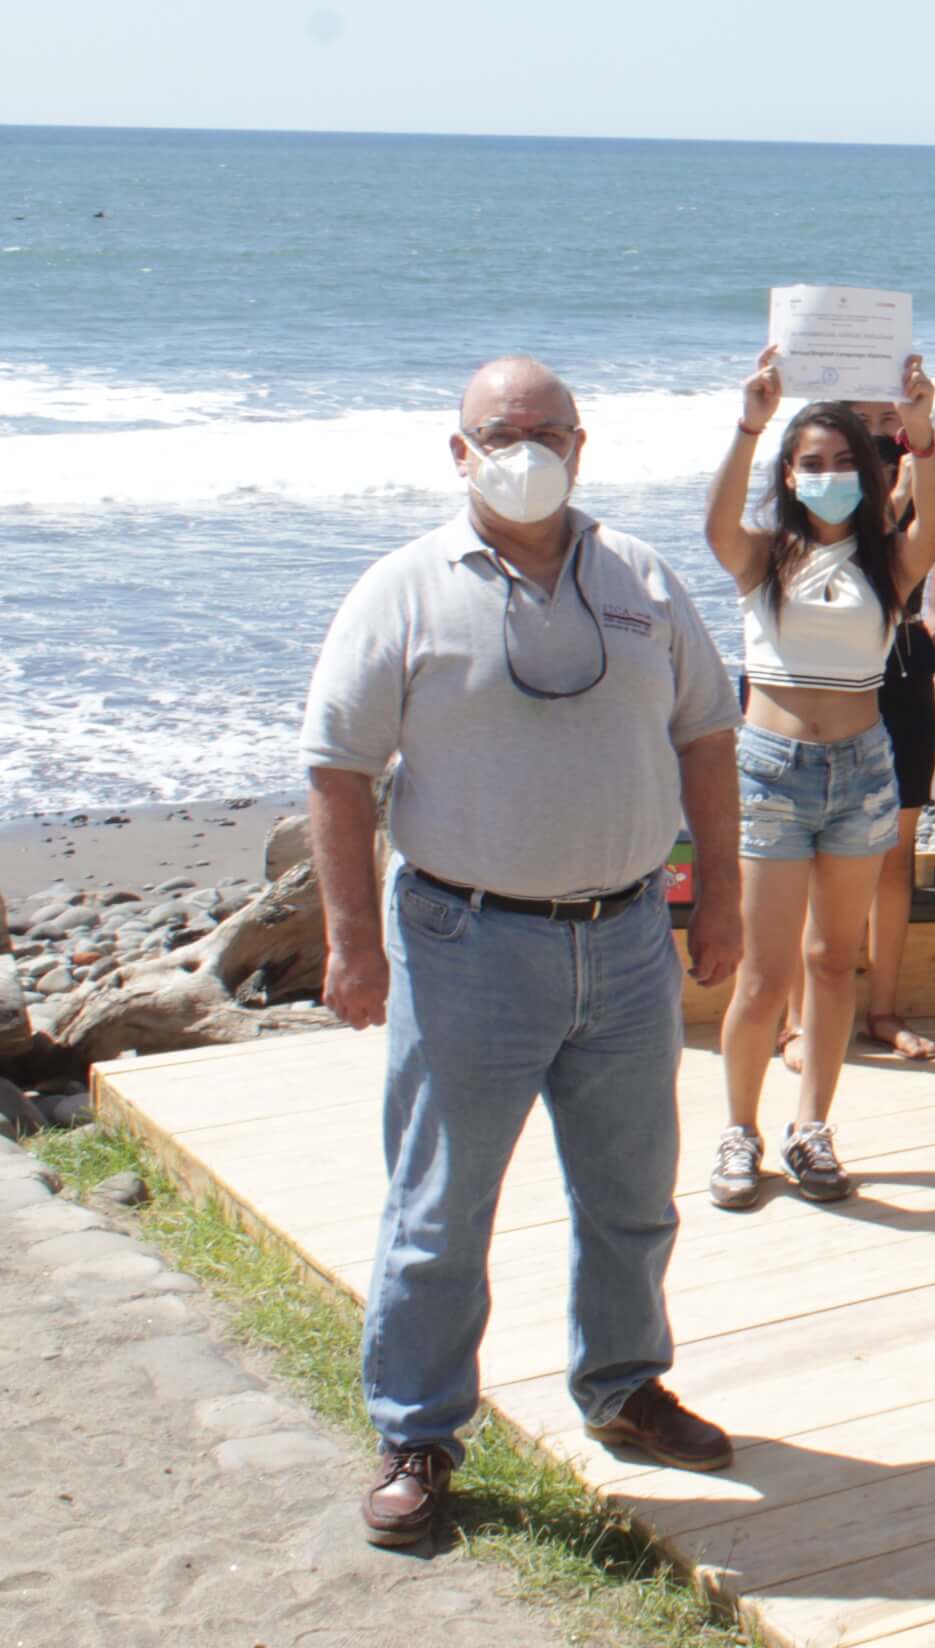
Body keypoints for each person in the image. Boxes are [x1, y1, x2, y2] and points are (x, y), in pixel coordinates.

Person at [302, 357, 746, 1550]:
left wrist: (722, 900)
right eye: (502, 431)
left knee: (631, 1195)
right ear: (459, 452)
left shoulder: (641, 577)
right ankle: (418, 1432)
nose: (527, 446)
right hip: (466, 944)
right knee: (441, 1207)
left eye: (548, 429)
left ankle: (624, 1384)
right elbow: (338, 770)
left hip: (626, 936)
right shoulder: (403, 589)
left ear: (583, 444)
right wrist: (352, 941)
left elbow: (707, 735)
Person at [702, 349, 935, 1207]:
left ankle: (813, 1128)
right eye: (813, 463)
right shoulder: (763, 556)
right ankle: (740, 1131)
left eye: (846, 461)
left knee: (832, 962)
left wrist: (920, 430)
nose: (830, 475)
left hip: (862, 767)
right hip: (771, 770)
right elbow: (718, 521)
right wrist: (750, 424)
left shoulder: (890, 565)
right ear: (790, 474)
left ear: (872, 471)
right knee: (766, 974)